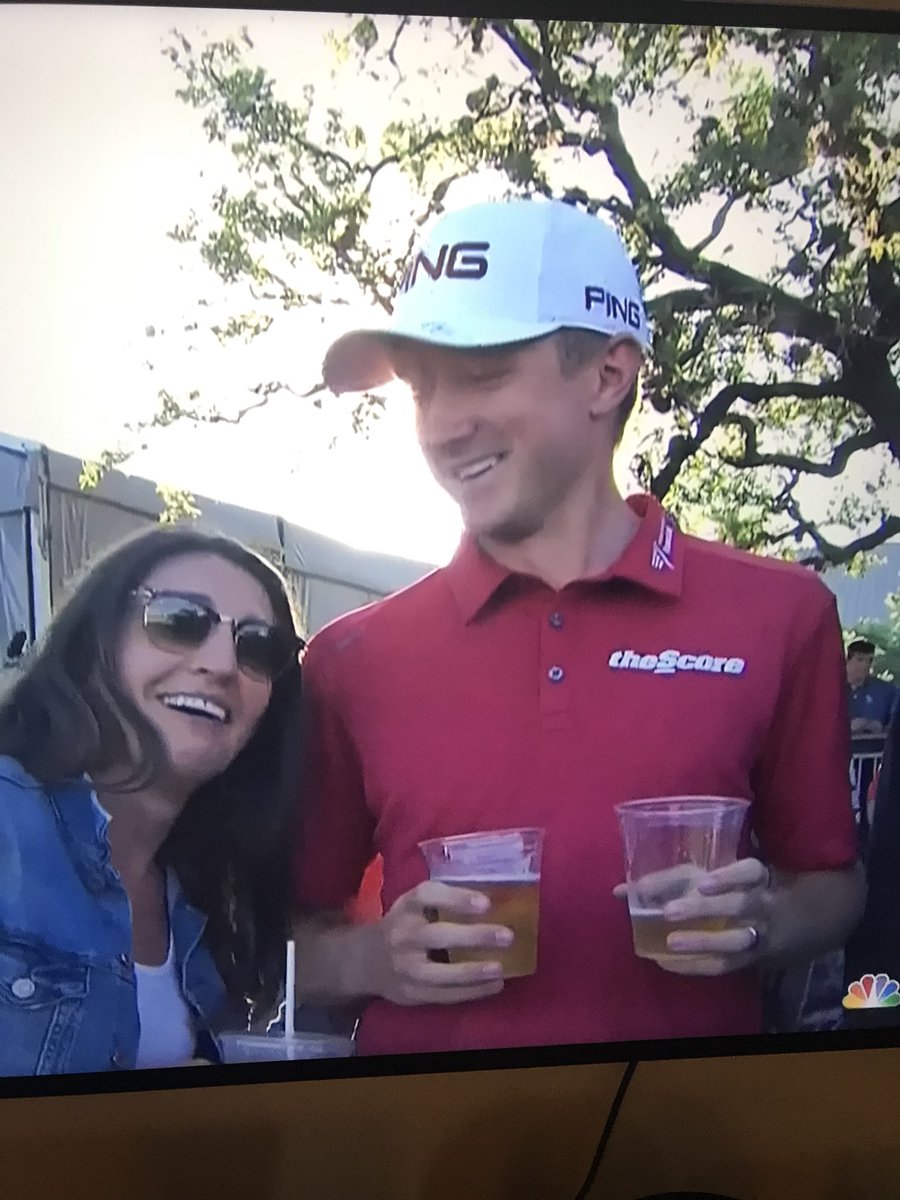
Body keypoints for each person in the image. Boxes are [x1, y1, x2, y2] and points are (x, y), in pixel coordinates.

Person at [292, 196, 865, 1056]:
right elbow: (279, 937)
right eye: (421, 388)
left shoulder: (782, 614)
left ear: (607, 374)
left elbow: (836, 884)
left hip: (686, 1144)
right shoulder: (348, 658)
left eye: (482, 372)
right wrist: (370, 957)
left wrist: (764, 922)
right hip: (421, 1158)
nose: (442, 426)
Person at [0, 526, 304, 1075]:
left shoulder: (207, 893)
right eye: (179, 620)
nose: (221, 663)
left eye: (260, 646)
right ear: (95, 641)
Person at [846, 638, 896, 736]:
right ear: (847, 660)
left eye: (870, 660)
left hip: (877, 748)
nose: (865, 665)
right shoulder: (832, 690)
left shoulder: (887, 691)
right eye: (860, 659)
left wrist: (877, 727)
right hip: (840, 747)